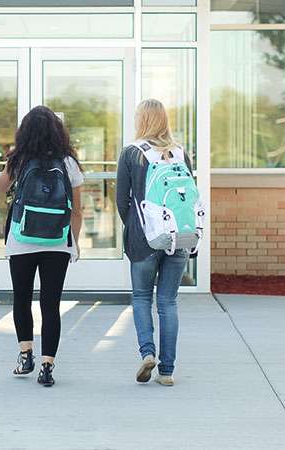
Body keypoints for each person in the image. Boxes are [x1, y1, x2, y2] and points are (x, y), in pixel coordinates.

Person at [0, 106, 84, 387]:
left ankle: (25, 355)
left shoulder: (19, 159)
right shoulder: (68, 162)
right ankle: (47, 366)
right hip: (57, 241)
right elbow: (78, 210)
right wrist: (75, 242)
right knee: (50, 303)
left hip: (22, 239)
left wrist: (12, 158)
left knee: (22, 298)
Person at [116, 99, 196, 386]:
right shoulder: (180, 153)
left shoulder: (132, 154)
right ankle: (167, 371)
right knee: (168, 302)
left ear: (141, 120)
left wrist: (138, 229)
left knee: (141, 297)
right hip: (179, 237)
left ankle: (147, 352)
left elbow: (122, 202)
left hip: (144, 240)